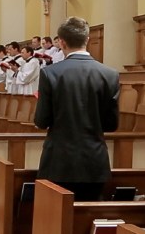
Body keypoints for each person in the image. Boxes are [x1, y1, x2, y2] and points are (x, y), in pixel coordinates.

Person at [34, 16, 119, 201]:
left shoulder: (50, 73)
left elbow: (42, 120)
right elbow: (111, 124)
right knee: (88, 221)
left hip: (59, 160)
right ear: (87, 40)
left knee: (56, 221)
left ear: (62, 42)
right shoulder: (110, 75)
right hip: (94, 161)